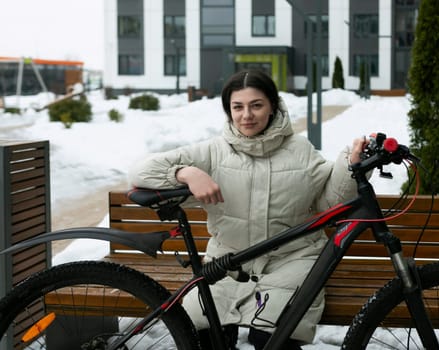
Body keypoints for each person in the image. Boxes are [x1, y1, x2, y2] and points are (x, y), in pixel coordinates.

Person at [129, 69, 367, 349]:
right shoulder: (214, 151)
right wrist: (186, 173)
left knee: (272, 338)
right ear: (229, 111)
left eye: (256, 105)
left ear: (272, 107)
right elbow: (140, 171)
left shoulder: (300, 149)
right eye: (237, 107)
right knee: (204, 333)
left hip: (291, 260)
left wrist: (350, 165)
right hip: (228, 264)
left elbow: (330, 204)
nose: (247, 115)